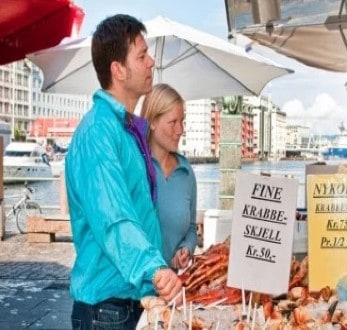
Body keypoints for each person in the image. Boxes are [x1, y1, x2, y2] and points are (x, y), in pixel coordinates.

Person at [65, 14, 182, 329]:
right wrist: (154, 270)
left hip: (131, 303)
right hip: (106, 311)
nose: (151, 62)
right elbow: (113, 219)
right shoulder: (97, 133)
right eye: (142, 56)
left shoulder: (128, 132)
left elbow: (140, 212)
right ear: (118, 70)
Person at [140, 83, 198, 270]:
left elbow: (191, 227)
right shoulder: (136, 166)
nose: (180, 130)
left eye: (182, 122)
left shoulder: (186, 171)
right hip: (132, 292)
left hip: (170, 290)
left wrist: (186, 249)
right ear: (153, 122)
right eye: (173, 122)